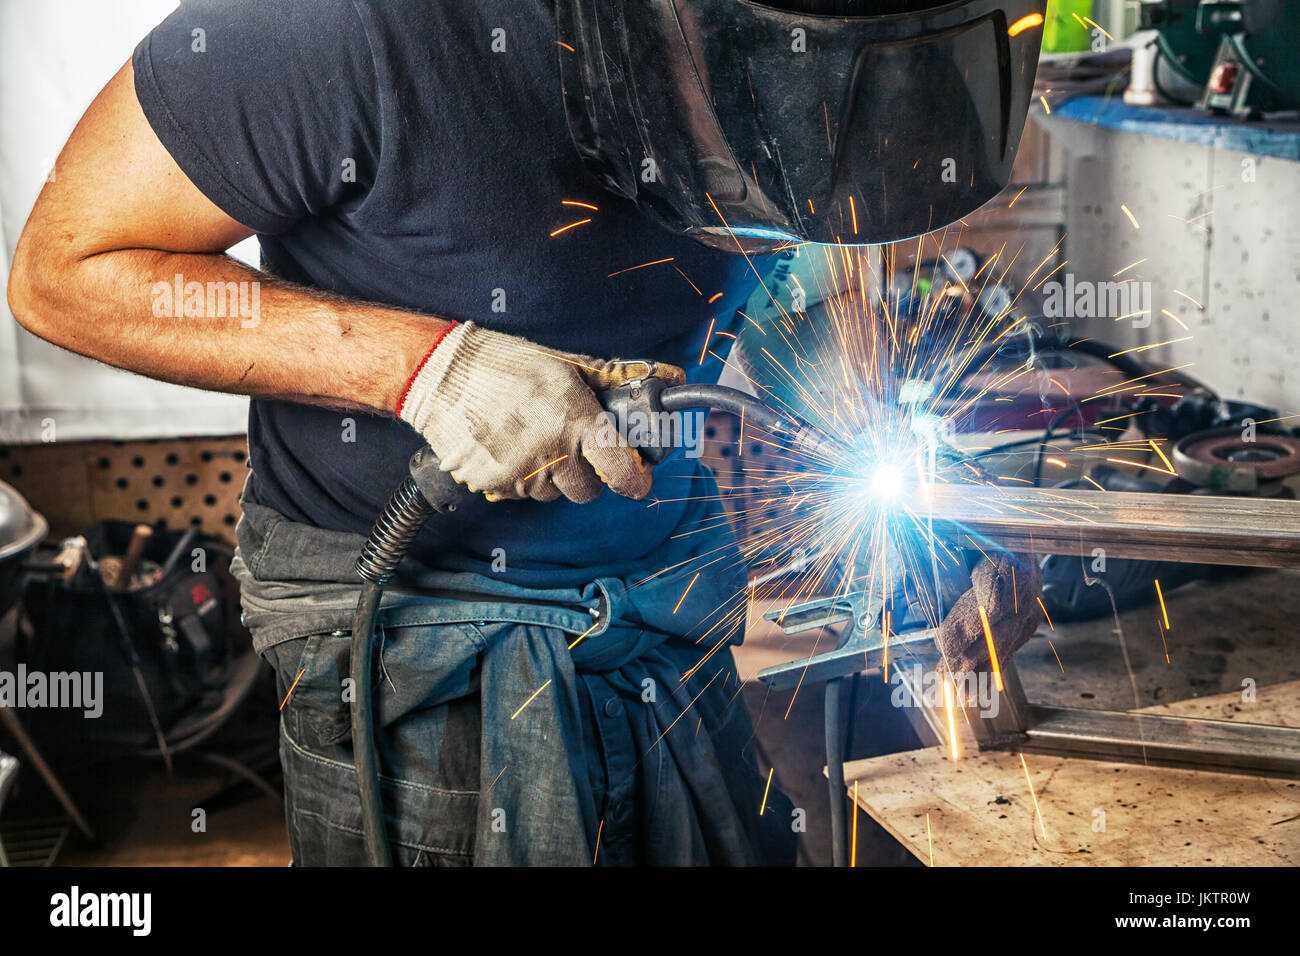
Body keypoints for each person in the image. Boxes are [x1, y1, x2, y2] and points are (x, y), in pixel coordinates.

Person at [7, 0, 1046, 865]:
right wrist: (424, 369)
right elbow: (65, 271)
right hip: (424, 642)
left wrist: (931, 518)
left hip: (668, 616)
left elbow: (794, 304)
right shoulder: (341, 26)